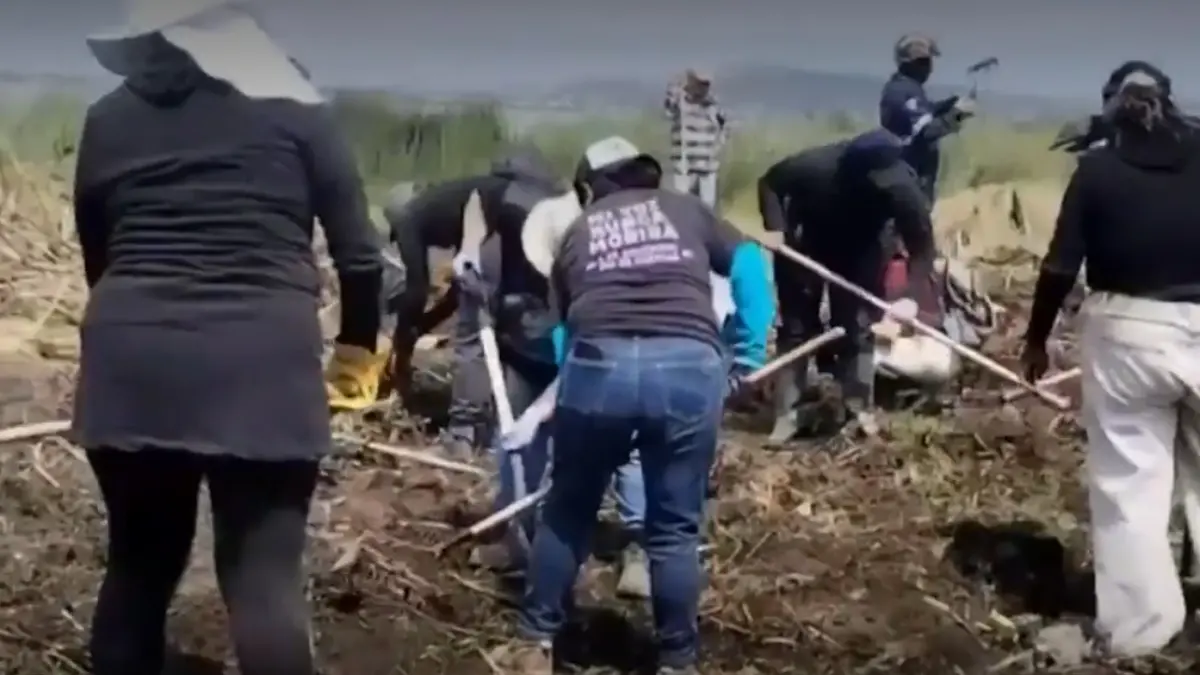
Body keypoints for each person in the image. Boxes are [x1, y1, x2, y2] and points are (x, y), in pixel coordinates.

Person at [70, 3, 383, 674]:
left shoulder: (108, 119)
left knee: (138, 568)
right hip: (260, 362)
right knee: (261, 580)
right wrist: (357, 355)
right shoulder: (297, 105)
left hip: (130, 361)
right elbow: (361, 258)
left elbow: (100, 255)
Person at [489, 136, 772, 674]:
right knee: (673, 530)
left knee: (569, 511)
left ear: (590, 187)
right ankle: (678, 660)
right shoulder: (689, 210)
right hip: (689, 367)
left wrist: (554, 403)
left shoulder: (576, 233)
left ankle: (534, 640)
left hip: (601, 370)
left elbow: (563, 339)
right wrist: (748, 353)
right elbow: (751, 265)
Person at [1021, 62, 1200, 657]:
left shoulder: (1096, 170)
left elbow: (1058, 266)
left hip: (1128, 331)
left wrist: (1035, 339)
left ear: (1109, 109)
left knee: (1131, 485)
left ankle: (1138, 631)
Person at [758, 129, 939, 442]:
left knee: (858, 325)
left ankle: (858, 410)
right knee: (798, 328)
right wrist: (776, 228)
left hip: (863, 248)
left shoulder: (902, 187)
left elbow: (922, 246)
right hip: (806, 240)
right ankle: (788, 413)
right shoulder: (817, 165)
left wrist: (909, 296)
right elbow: (769, 183)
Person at [382, 147, 561, 456]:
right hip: (527, 225)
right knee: (515, 323)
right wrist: (424, 324)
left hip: (498, 230)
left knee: (471, 337)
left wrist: (403, 340)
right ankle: (519, 416)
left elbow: (416, 289)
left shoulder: (410, 219)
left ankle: (463, 433)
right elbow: (456, 292)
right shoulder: (450, 200)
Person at [611, 272, 769, 600]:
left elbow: (749, 278)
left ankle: (661, 545)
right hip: (662, 337)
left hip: (694, 337)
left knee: (659, 443)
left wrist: (746, 352)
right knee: (660, 441)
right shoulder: (708, 233)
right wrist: (747, 351)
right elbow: (751, 276)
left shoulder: (708, 235)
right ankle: (650, 545)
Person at [879, 33, 974, 201]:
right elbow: (926, 132)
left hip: (908, 179)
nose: (931, 68)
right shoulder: (903, 91)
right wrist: (956, 115)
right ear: (917, 63)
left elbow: (924, 114)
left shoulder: (903, 88)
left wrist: (948, 104)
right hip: (910, 182)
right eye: (928, 62)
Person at [664, 68, 728, 208]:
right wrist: (677, 88)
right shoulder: (680, 102)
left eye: (706, 84)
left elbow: (724, 127)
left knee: (707, 207)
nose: (704, 88)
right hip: (683, 166)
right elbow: (669, 109)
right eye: (700, 83)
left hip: (707, 166)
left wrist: (718, 147)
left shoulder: (714, 105)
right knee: (681, 205)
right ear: (691, 82)